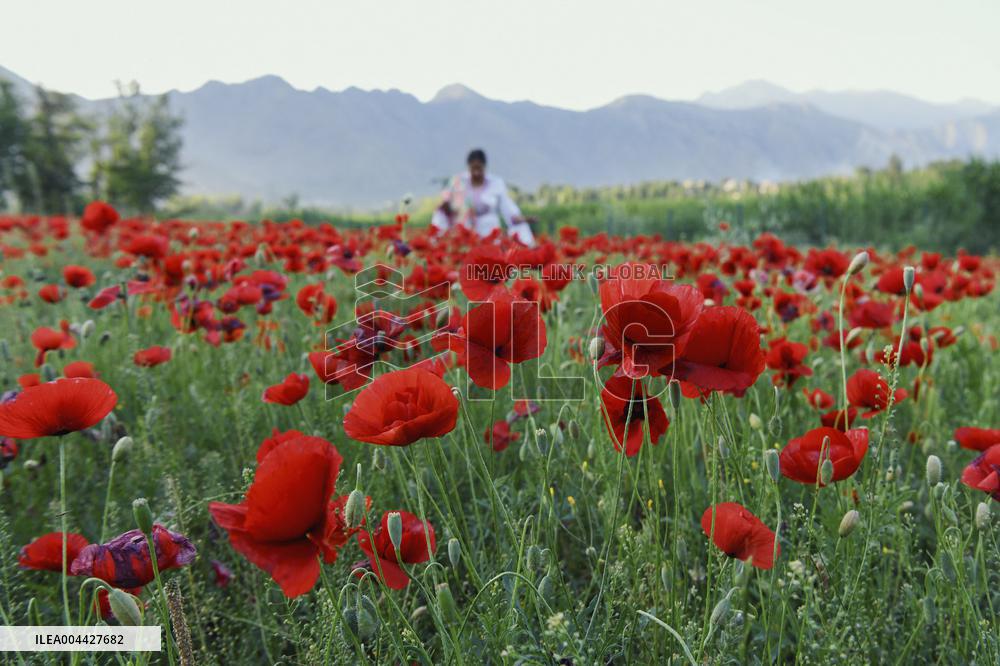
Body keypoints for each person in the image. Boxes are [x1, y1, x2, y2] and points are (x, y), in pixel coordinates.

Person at [431, 149, 535, 246]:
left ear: (484, 167)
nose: (476, 172)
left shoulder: (496, 184)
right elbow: (449, 205)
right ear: (469, 167)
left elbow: (508, 209)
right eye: (473, 168)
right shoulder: (459, 182)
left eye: (479, 168)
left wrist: (521, 219)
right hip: (465, 229)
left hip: (489, 229)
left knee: (521, 228)